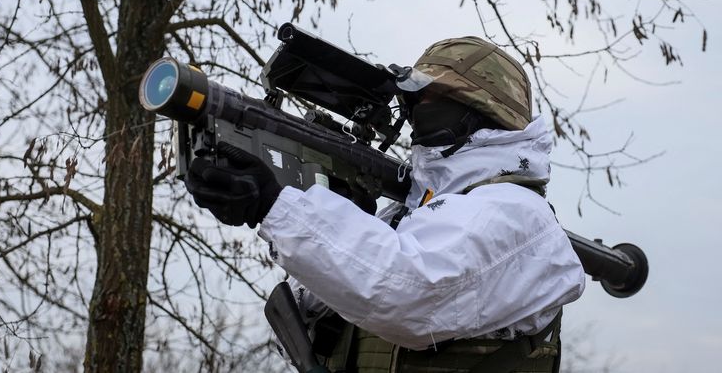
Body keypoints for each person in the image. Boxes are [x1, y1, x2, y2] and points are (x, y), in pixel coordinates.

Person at [187, 36, 586, 372]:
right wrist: (337, 214)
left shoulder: (514, 211)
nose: (415, 116)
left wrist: (275, 206)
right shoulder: (416, 214)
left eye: (431, 100)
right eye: (411, 105)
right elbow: (311, 321)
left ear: (482, 113)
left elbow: (406, 292)